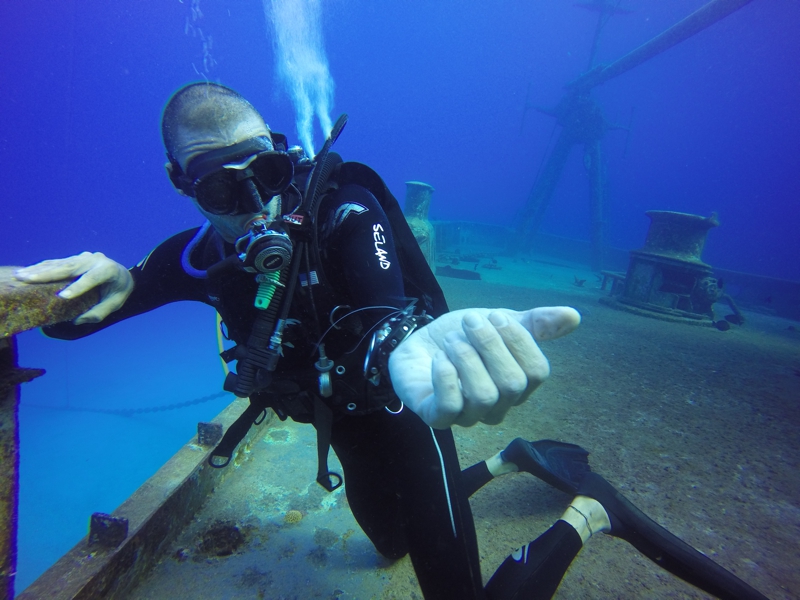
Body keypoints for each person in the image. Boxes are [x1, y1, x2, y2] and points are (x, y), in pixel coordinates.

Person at [15, 83, 767, 600]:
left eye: (266, 170)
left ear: (282, 153)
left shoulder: (346, 210)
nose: (255, 201)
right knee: (390, 545)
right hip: (339, 427)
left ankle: (587, 514)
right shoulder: (195, 260)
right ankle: (508, 460)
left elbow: (385, 314)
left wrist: (404, 349)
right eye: (219, 187)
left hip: (409, 416)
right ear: (180, 182)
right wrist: (92, 285)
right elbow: (71, 323)